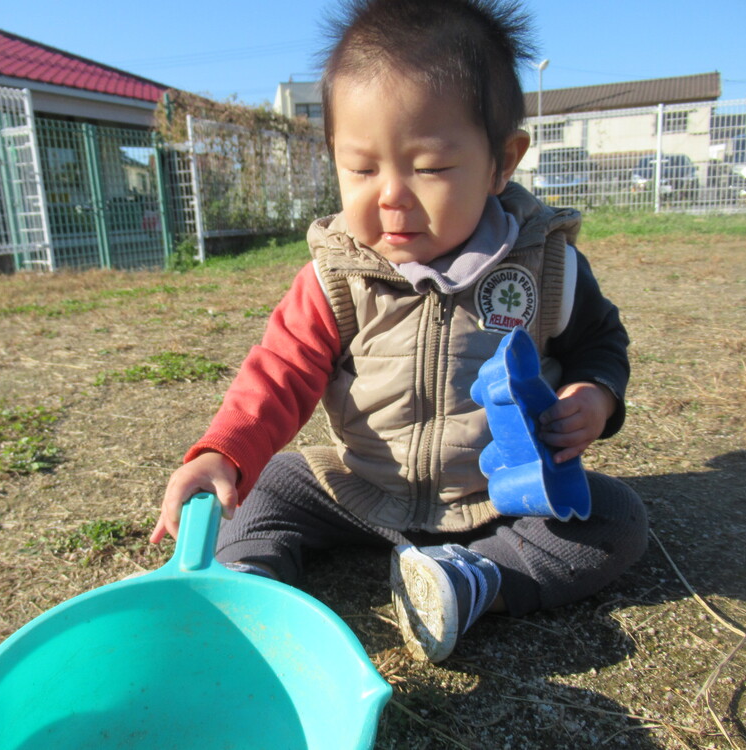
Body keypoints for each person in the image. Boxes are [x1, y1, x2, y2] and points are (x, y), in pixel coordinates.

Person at [152, 0, 647, 663]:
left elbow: (600, 343)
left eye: (430, 167)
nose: (390, 195)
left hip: (494, 500)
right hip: (355, 488)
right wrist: (226, 450)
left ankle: (473, 578)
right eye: (361, 168)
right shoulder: (338, 274)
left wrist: (594, 395)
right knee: (263, 487)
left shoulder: (545, 268)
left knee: (616, 520)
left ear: (503, 161)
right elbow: (283, 368)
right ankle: (248, 591)